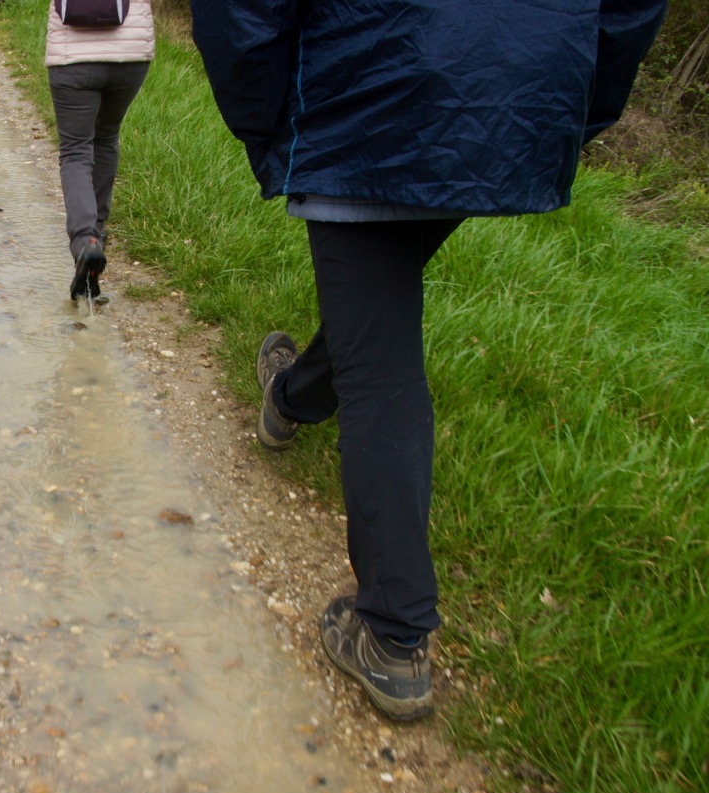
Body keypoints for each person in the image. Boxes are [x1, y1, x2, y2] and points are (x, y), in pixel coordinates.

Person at [191, 0, 666, 720]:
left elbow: (242, 14)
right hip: (511, 90)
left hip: (363, 92)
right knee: (373, 314)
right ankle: (293, 399)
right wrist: (562, 100)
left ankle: (392, 634)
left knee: (381, 368)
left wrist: (275, 125)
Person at [45, 0, 154, 303]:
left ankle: (86, 242)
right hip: (130, 52)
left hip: (73, 54)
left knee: (76, 150)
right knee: (105, 139)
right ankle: (97, 242)